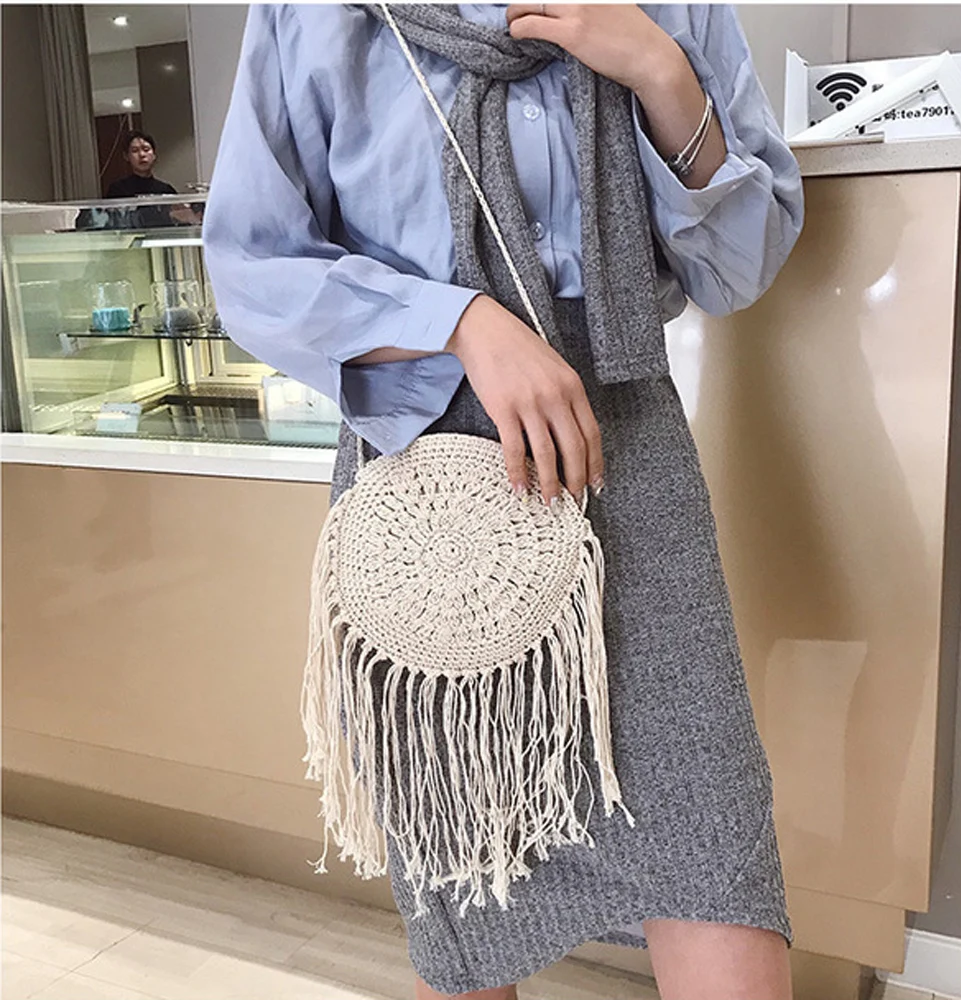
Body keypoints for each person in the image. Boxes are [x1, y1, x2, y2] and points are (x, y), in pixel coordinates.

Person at [203, 5, 806, 1000]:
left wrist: (657, 70)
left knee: (712, 848)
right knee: (466, 846)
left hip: (623, 450)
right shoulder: (313, 15)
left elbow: (740, 261)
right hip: (424, 469)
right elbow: (252, 265)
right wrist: (460, 324)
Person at [105, 130, 178, 198]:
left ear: (154, 155)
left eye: (146, 149)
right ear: (126, 156)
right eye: (135, 150)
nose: (142, 154)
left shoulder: (166, 190)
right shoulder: (117, 190)